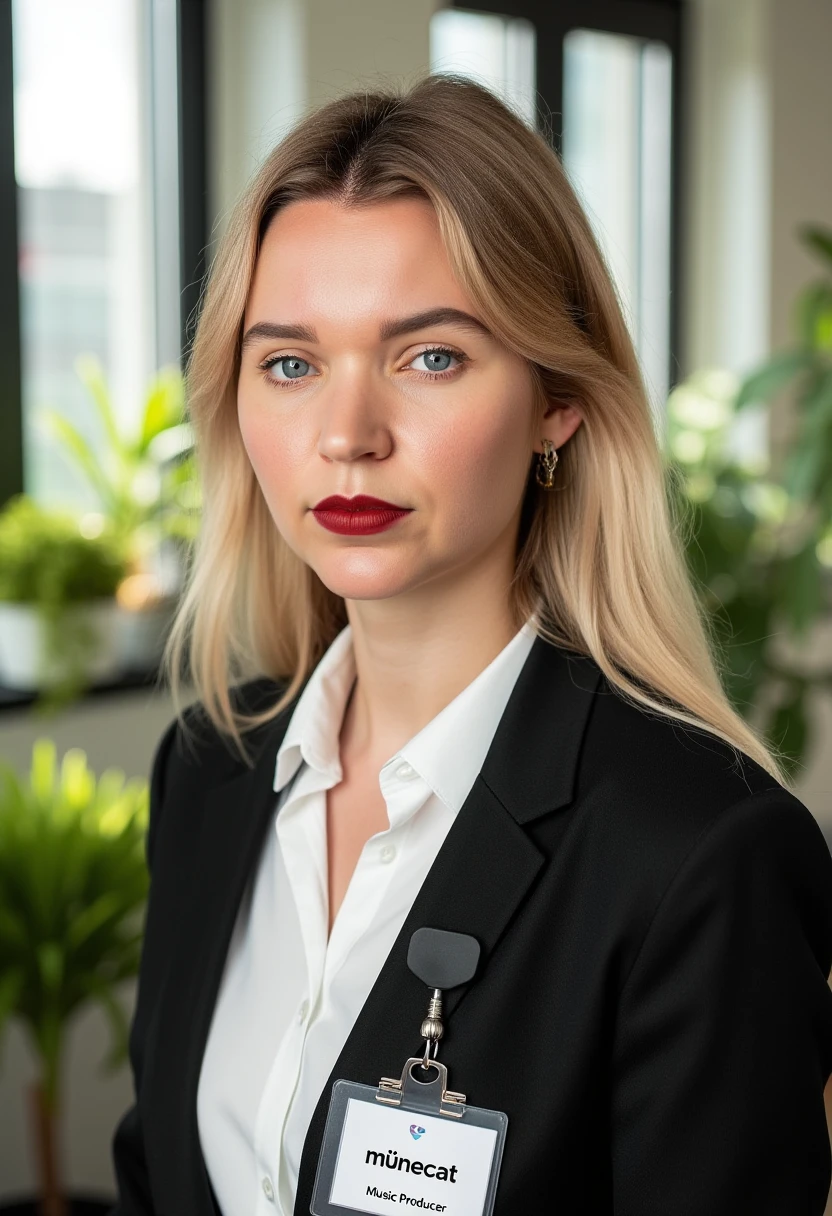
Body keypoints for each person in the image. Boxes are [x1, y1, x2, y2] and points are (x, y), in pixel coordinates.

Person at [109, 74, 832, 1216]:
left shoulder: (700, 853)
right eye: (290, 363)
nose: (347, 436)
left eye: (429, 355)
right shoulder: (213, 765)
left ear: (557, 399)